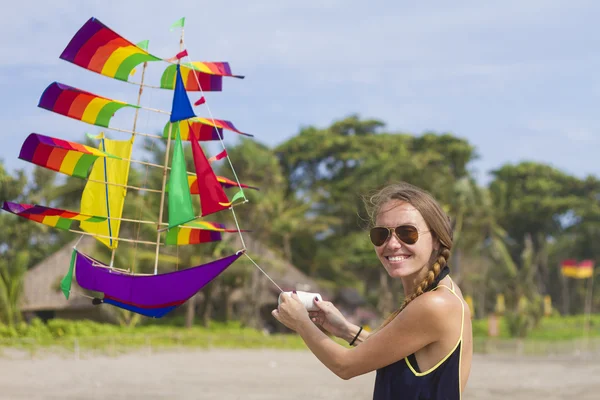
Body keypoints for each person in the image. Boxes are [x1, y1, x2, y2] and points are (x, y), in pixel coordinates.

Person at [272, 182, 473, 399]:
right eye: (381, 234)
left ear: (435, 239)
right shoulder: (444, 292)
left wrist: (301, 323)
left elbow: (345, 366)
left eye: (407, 233)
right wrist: (345, 330)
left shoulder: (434, 305)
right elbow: (395, 353)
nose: (393, 244)